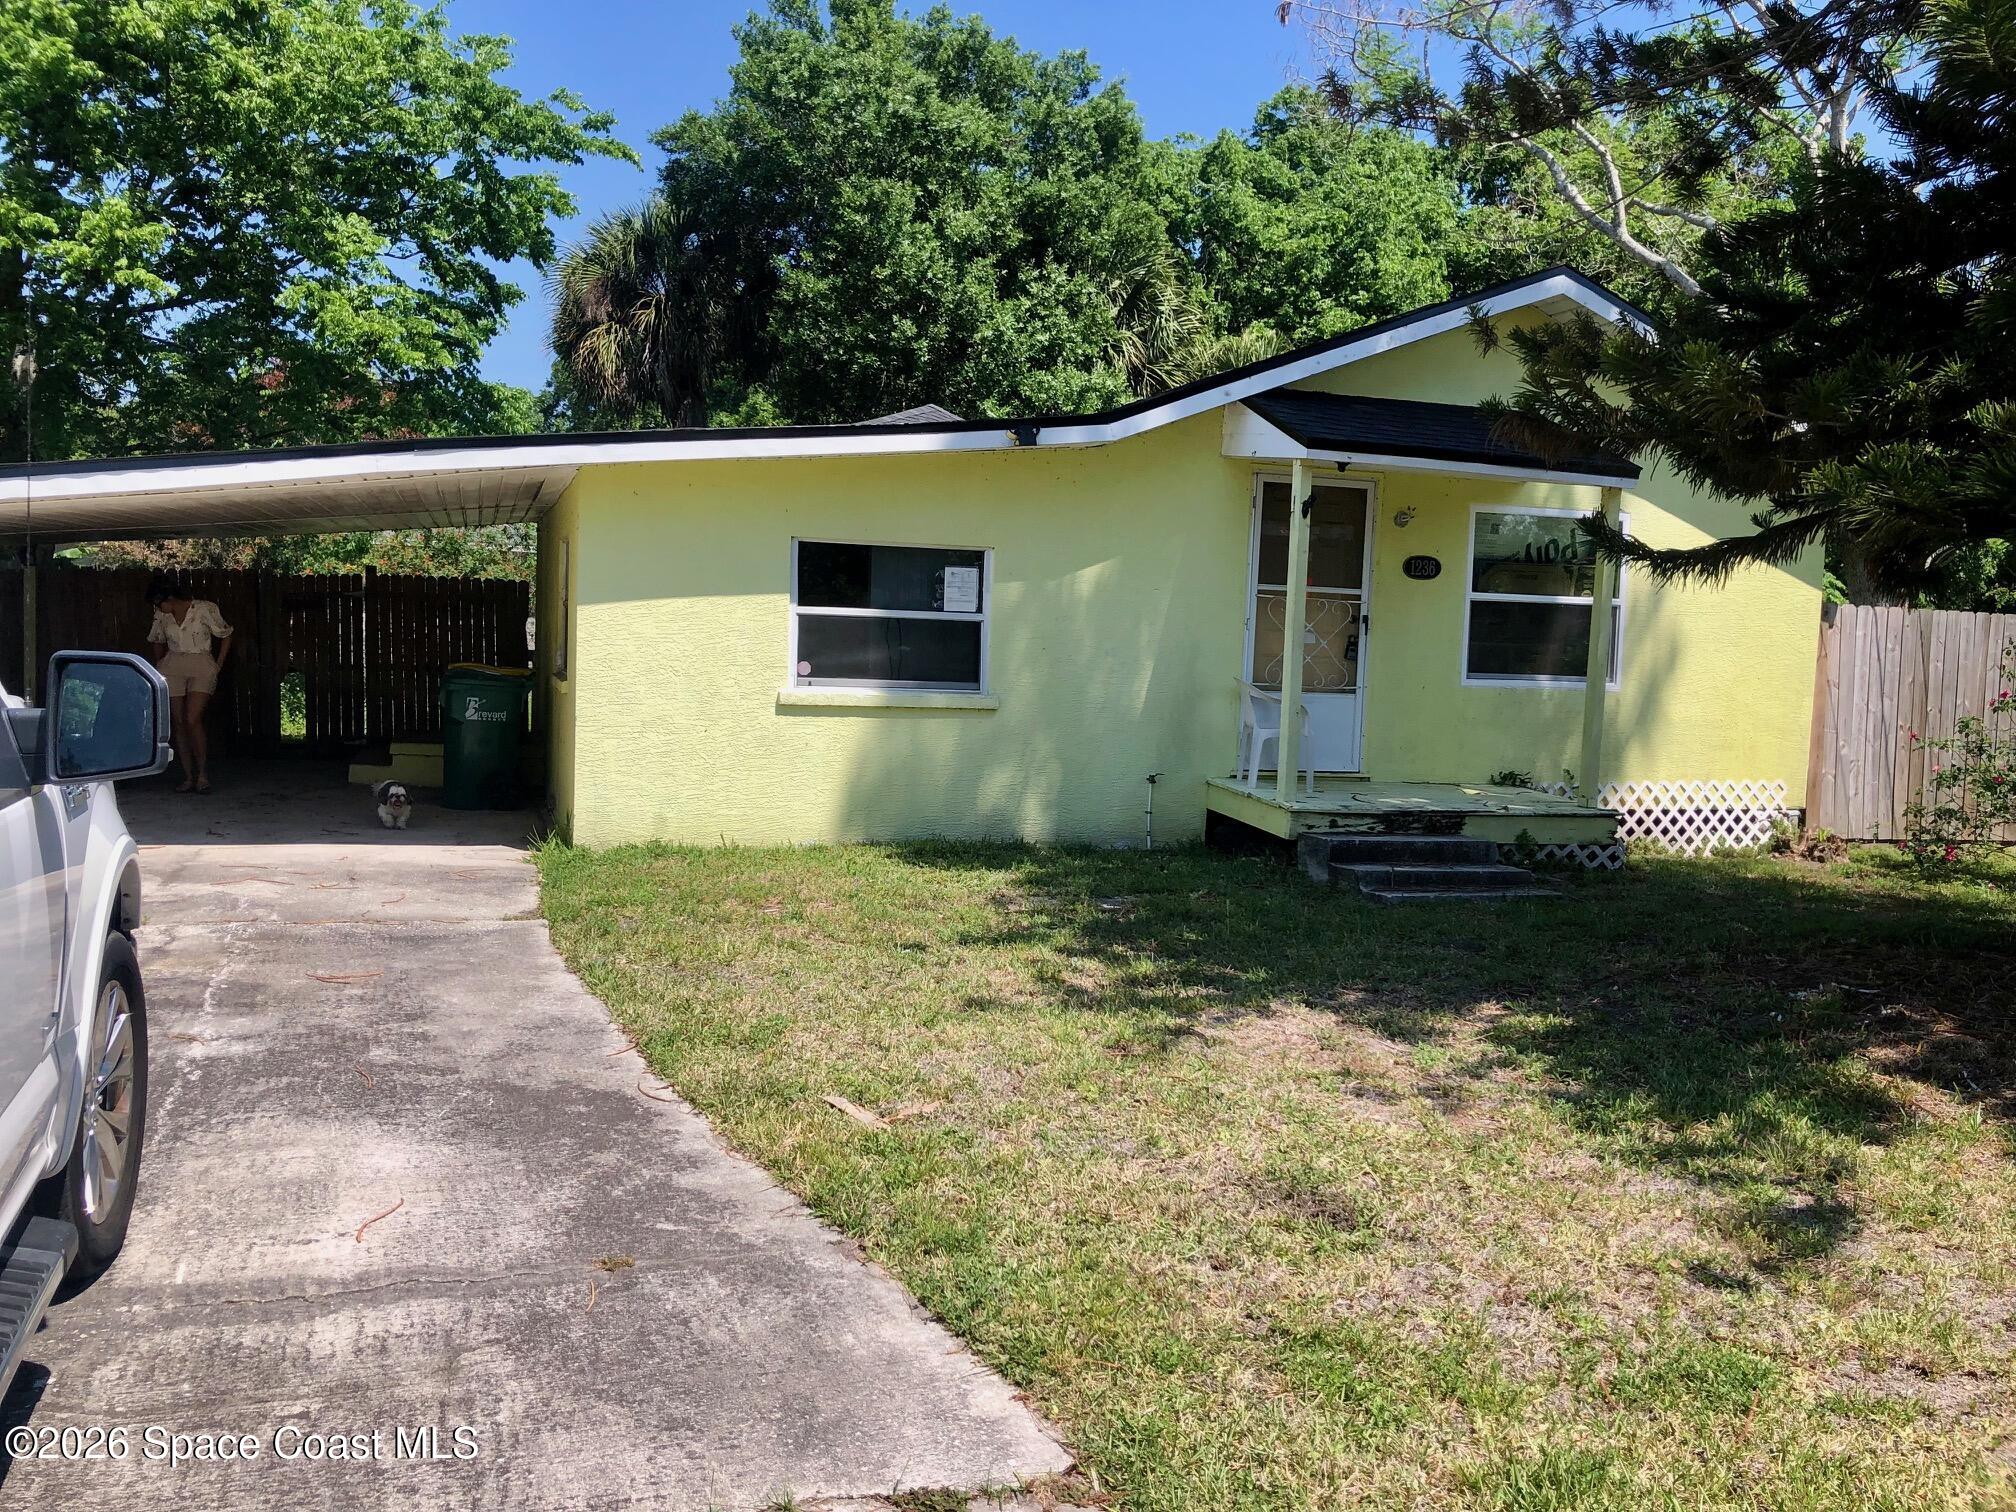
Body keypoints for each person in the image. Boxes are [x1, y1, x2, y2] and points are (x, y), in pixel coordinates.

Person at [144, 578, 233, 793]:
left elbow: (226, 633)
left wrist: (217, 664)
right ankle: (188, 776)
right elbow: (157, 639)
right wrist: (159, 665)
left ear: (169, 598)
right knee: (179, 721)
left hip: (201, 661)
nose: (157, 608)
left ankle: (202, 774)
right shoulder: (161, 615)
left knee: (193, 718)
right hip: (173, 663)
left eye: (159, 603)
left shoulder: (204, 608)